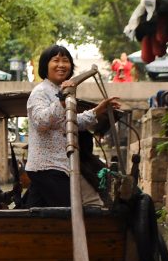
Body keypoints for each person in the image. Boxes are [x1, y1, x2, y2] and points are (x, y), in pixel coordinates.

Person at [25, 44, 120, 207]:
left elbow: (72, 123)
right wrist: (61, 101)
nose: (61, 65)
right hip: (47, 167)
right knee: (69, 210)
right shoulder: (40, 92)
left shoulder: (61, 92)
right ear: (45, 66)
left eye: (65, 61)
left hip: (60, 166)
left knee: (35, 213)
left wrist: (97, 111)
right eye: (55, 60)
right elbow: (41, 122)